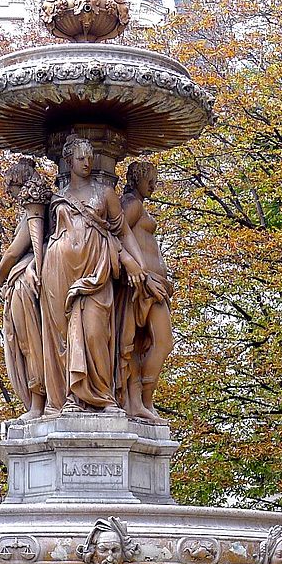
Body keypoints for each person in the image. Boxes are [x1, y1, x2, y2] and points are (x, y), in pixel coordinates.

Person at [42, 134, 141, 412]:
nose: (87, 162)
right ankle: (69, 399)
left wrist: (136, 261)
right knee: (63, 338)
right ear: (68, 160)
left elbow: (122, 231)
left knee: (96, 332)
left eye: (90, 157)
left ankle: (101, 396)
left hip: (96, 269)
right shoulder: (58, 198)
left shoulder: (105, 194)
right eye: (81, 157)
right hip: (59, 270)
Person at [0, 158, 50, 419]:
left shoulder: (34, 211)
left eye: (10, 187)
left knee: (30, 343)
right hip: (24, 280)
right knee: (27, 343)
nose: (9, 194)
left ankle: (37, 403)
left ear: (20, 182)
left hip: (25, 283)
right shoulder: (35, 210)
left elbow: (17, 249)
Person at [118, 160, 173, 422]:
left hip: (154, 285)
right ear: (136, 179)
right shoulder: (131, 203)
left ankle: (141, 402)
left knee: (148, 344)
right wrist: (143, 274)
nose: (153, 184)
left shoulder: (138, 204)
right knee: (158, 342)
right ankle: (142, 401)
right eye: (148, 178)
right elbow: (117, 235)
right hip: (142, 285)